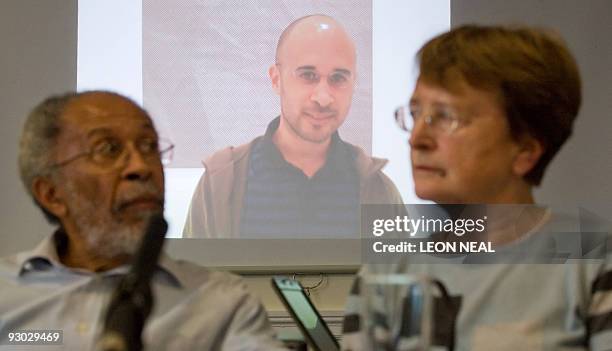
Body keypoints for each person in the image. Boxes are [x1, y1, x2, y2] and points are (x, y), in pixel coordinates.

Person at [342, 25, 612, 350]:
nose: (417, 138)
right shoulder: (387, 271)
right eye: (416, 114)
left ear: (525, 150)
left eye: (446, 117)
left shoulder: (595, 260)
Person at [0, 91, 286, 350]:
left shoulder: (222, 304)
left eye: (149, 146)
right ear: (51, 193)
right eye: (108, 149)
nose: (141, 166)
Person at [183, 14, 402, 238]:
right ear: (276, 79)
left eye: (338, 78)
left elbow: (400, 271)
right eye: (308, 75)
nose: (323, 97)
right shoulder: (220, 182)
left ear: (353, 83)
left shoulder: (379, 190)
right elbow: (191, 272)